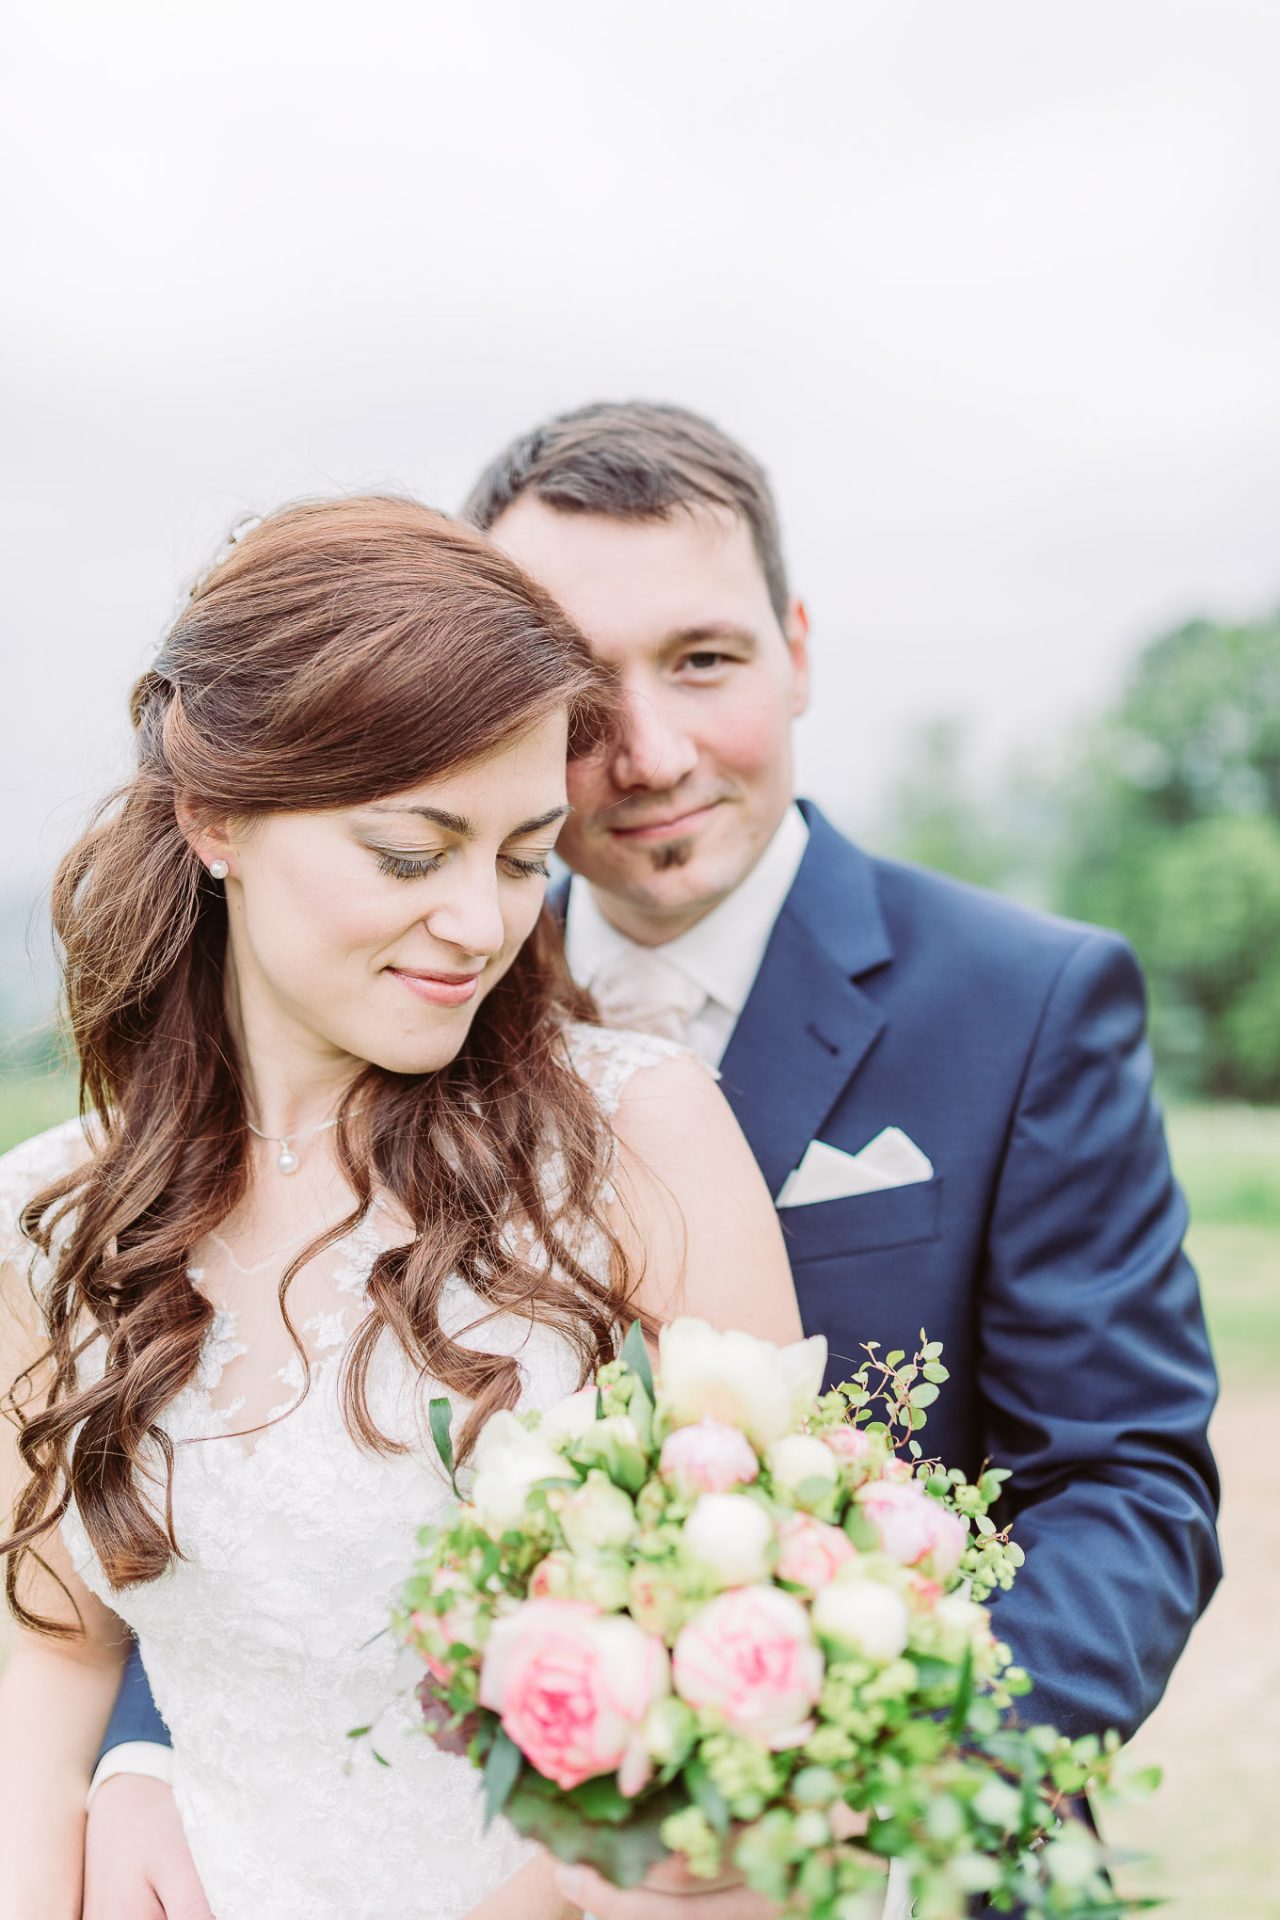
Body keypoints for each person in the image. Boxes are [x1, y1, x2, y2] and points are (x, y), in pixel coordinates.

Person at [78, 404, 1222, 1920]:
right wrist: (151, 1744)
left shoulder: (1027, 1002)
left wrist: (846, 1784)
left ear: (797, 646)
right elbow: (250, 1407)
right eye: (587, 687)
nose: (652, 751)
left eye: (703, 659)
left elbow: (1126, 1484)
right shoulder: (389, 978)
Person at [0, 496, 811, 1920]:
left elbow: (757, 1654)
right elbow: (51, 1652)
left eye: (518, 856)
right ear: (214, 817)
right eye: (410, 853)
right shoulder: (49, 1223)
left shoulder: (641, 1135)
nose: (481, 925)